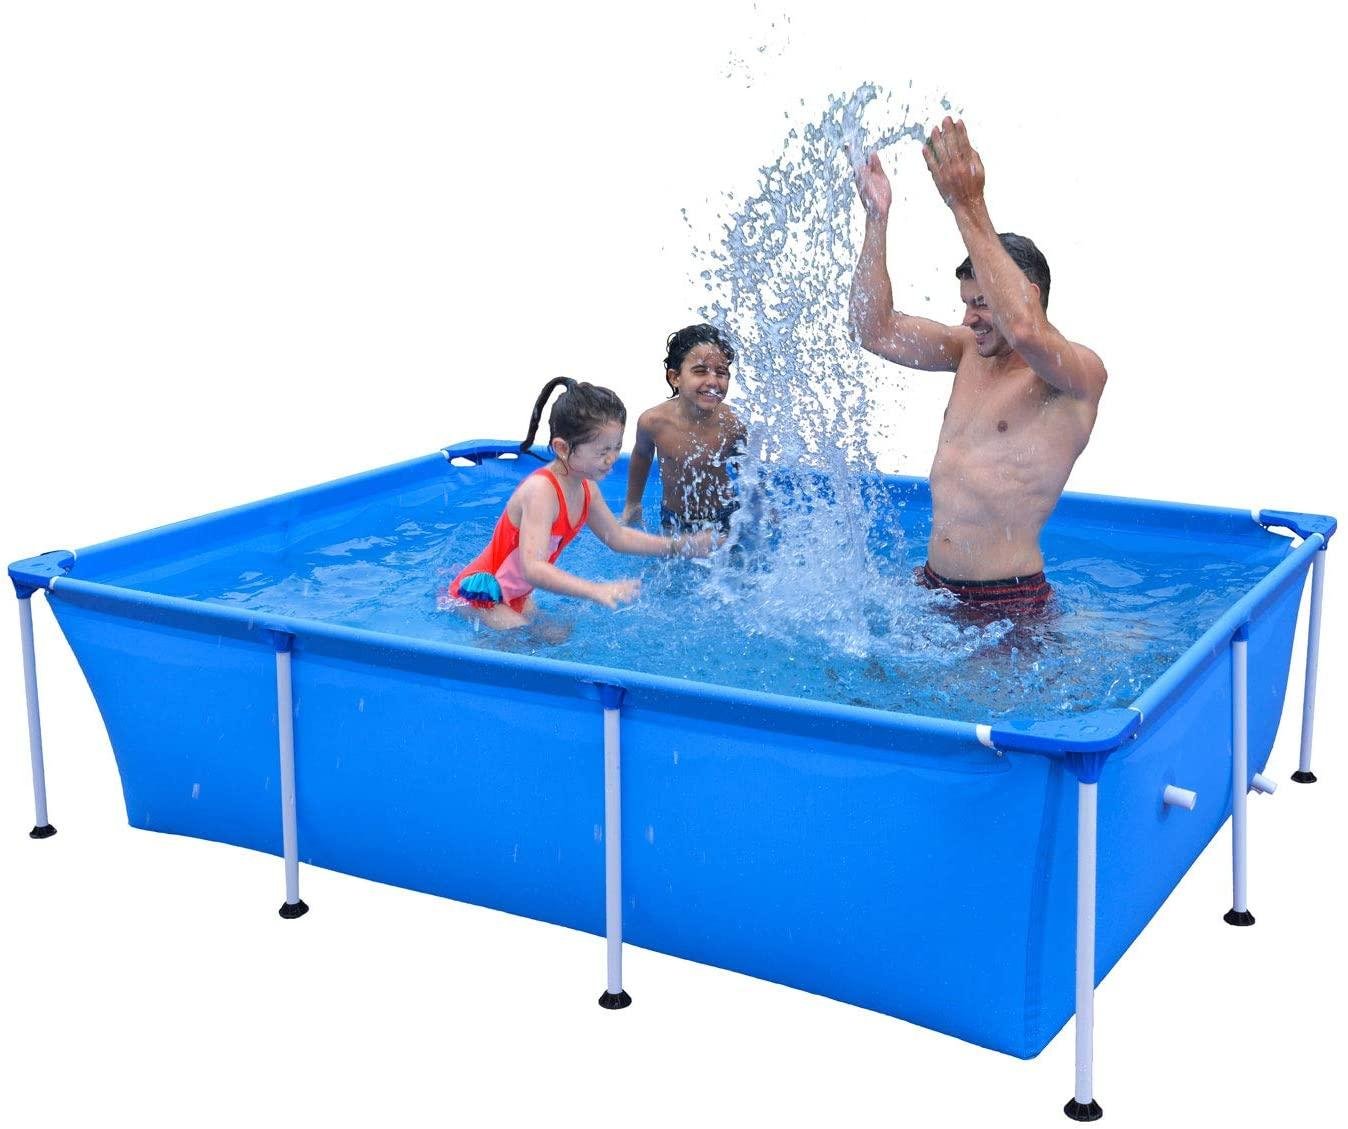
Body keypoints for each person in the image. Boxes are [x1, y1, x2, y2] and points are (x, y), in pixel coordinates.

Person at [849, 117, 1107, 616]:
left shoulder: (1075, 375)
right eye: (967, 303)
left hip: (1006, 601)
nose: (969, 319)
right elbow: (872, 329)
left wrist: (967, 203)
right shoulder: (967, 349)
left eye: (983, 304)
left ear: (1028, 295)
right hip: (932, 586)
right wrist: (876, 218)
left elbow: (1027, 330)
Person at [445, 377, 716, 630]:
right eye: (602, 451)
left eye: (616, 447)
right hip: (481, 595)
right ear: (563, 448)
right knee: (519, 638)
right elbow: (533, 567)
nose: (612, 458)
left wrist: (680, 546)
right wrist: (594, 590)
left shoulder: (586, 488)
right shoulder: (541, 492)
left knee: (558, 635)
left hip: (515, 591)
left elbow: (617, 537)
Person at [622, 324, 748, 534]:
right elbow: (642, 455)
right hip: (675, 518)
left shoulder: (733, 424)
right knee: (668, 554)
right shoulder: (653, 422)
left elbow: (746, 471)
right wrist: (632, 504)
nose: (712, 381)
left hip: (724, 516)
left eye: (721, 372)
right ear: (675, 377)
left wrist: (759, 508)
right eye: (700, 371)